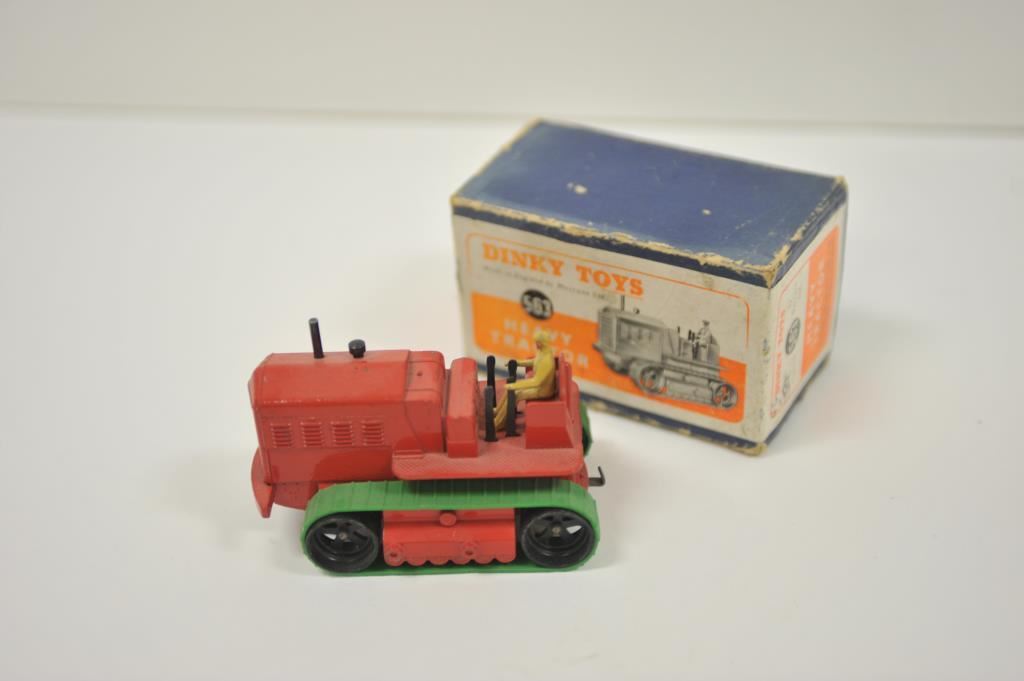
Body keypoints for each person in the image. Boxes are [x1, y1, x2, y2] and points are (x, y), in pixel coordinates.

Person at [494, 329, 557, 430]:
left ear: (543, 343)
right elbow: (534, 362)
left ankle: (498, 423)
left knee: (516, 394)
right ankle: (497, 411)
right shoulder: (542, 353)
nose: (536, 344)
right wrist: (518, 363)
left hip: (543, 390)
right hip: (539, 385)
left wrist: (515, 385)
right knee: (510, 390)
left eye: (538, 342)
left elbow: (537, 382)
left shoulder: (547, 360)